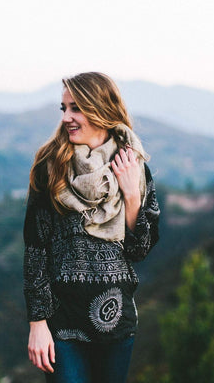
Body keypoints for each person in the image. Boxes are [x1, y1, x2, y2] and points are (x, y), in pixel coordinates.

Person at [23, 72, 160, 383]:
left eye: (76, 108)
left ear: (100, 109)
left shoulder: (133, 166)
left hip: (117, 323)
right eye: (64, 108)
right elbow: (35, 249)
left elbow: (139, 250)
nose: (66, 118)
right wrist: (37, 322)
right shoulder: (50, 167)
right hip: (63, 325)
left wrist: (132, 195)